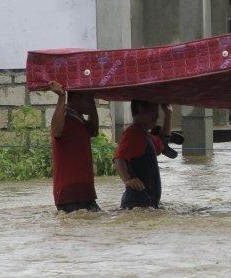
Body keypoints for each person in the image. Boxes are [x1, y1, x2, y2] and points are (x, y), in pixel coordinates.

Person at [48, 81, 101, 213]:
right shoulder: (65, 117)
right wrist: (61, 97)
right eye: (88, 100)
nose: (91, 104)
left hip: (86, 193)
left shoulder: (80, 120)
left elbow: (94, 130)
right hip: (69, 196)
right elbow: (56, 130)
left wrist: (92, 100)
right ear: (76, 98)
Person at [113, 100, 172, 209]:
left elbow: (163, 144)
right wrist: (127, 180)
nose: (157, 116)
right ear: (141, 109)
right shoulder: (133, 134)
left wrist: (168, 114)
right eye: (154, 111)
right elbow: (118, 158)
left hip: (146, 204)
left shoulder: (145, 136)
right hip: (136, 203)